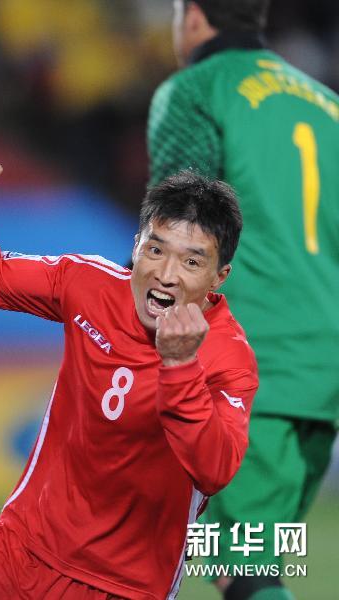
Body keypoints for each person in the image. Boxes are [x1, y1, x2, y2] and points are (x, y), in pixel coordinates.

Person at [0, 152, 257, 600]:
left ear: (219, 276)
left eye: (191, 262)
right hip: (16, 548)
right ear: (136, 245)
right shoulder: (87, 284)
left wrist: (180, 367)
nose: (166, 274)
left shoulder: (229, 357)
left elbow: (215, 469)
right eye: (156, 249)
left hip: (122, 587)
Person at [148, 2, 339, 599]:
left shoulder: (197, 89)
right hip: (322, 376)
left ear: (193, 16)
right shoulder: (327, 105)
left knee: (239, 568)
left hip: (253, 366)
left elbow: (177, 231)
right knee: (252, 561)